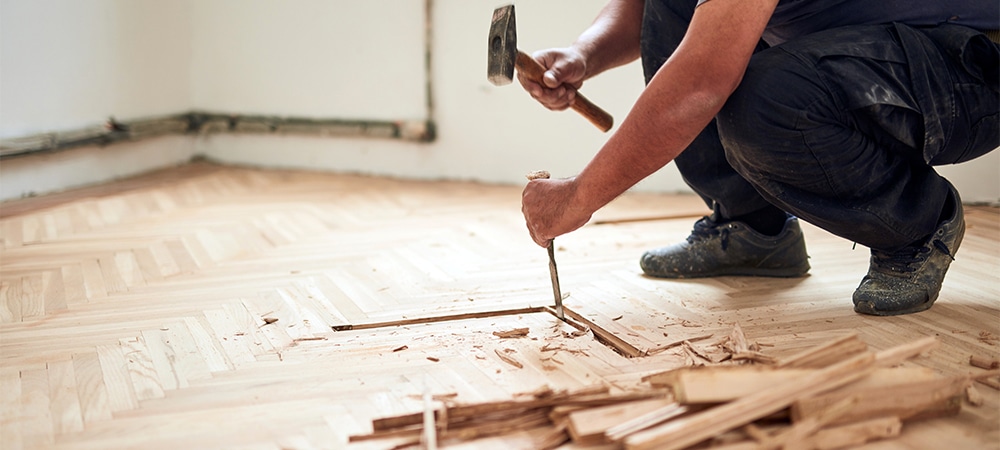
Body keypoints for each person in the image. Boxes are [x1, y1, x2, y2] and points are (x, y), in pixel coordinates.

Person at [518, 0, 999, 316]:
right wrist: (583, 54)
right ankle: (752, 227)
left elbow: (701, 81)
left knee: (767, 101)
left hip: (972, 63)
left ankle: (915, 224)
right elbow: (651, 10)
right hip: (883, 48)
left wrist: (579, 197)